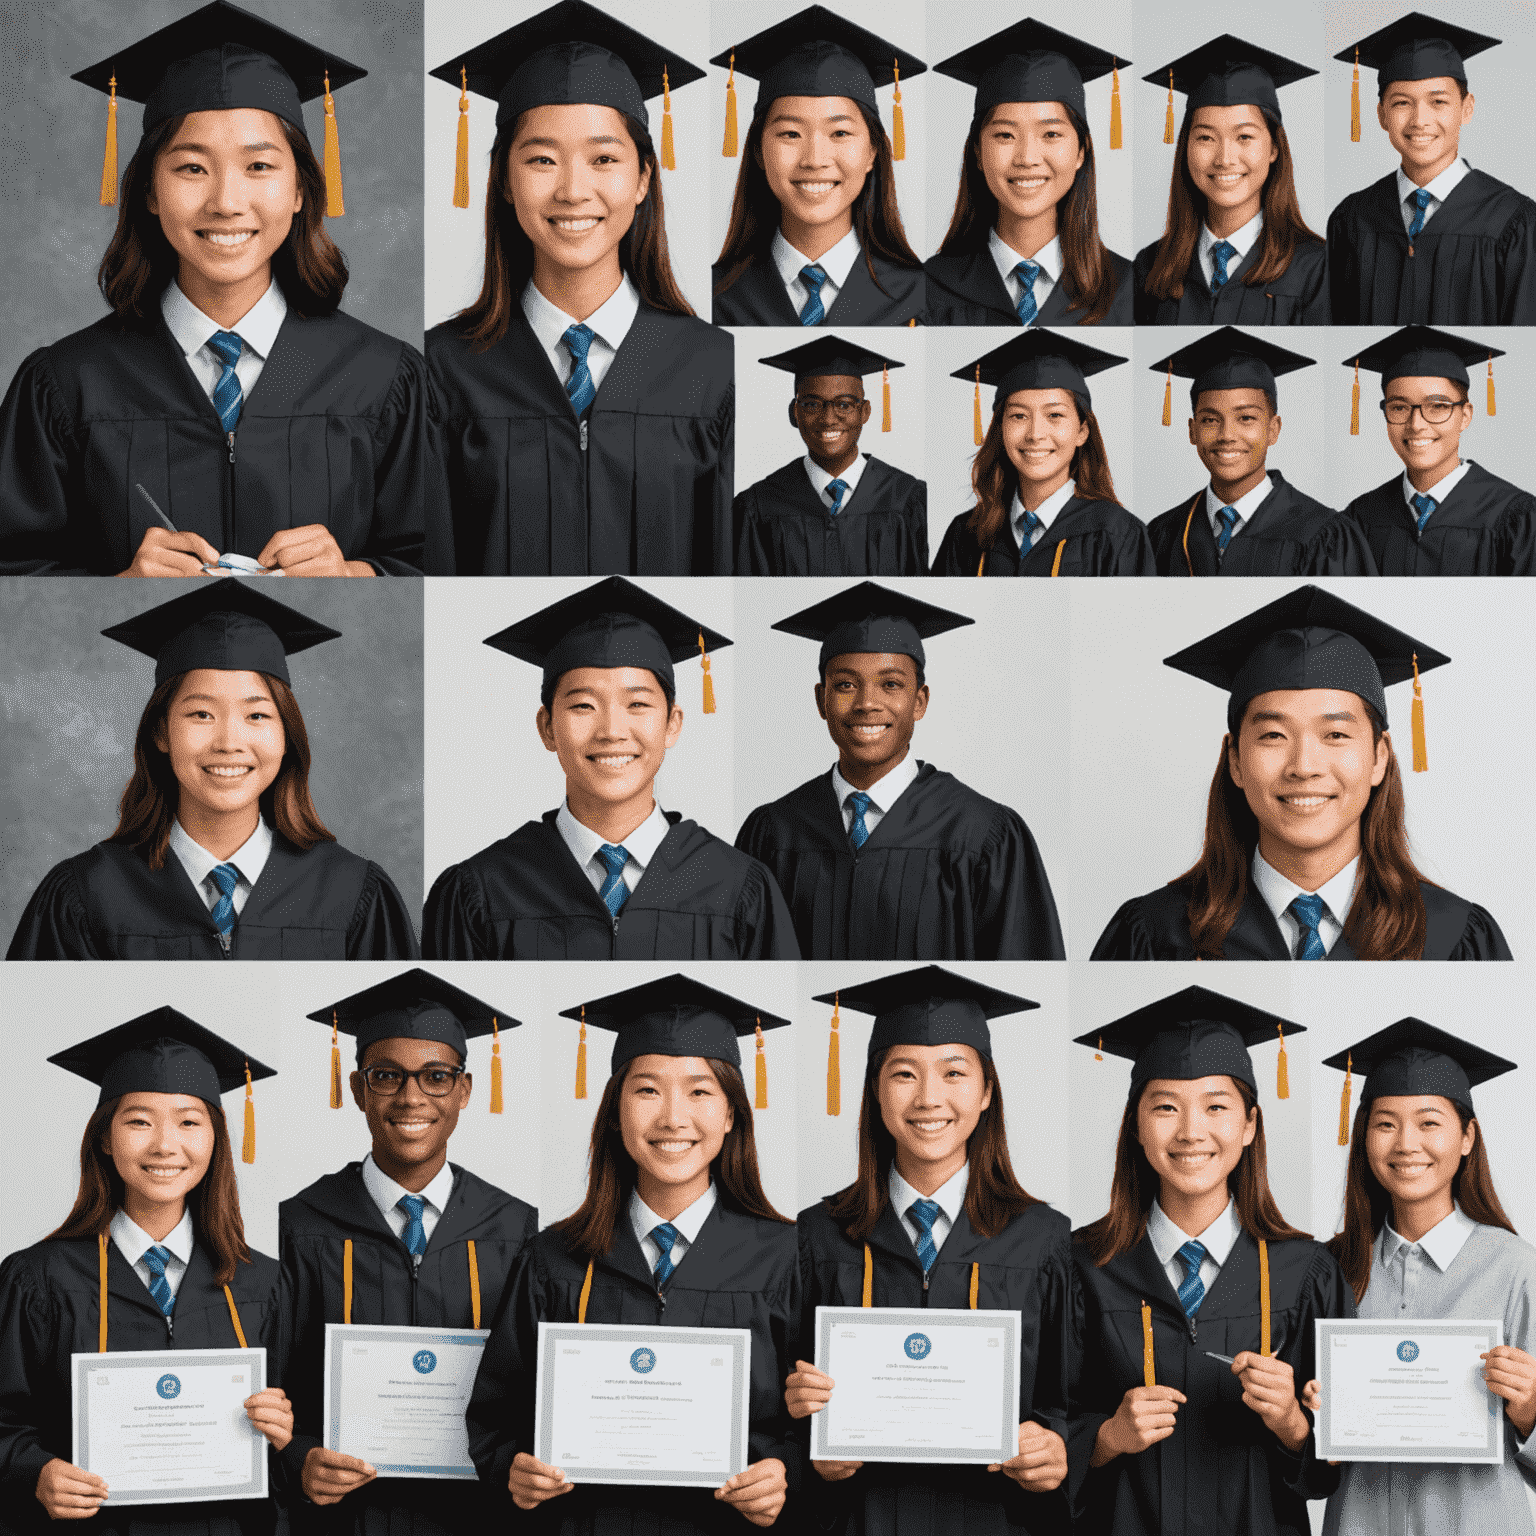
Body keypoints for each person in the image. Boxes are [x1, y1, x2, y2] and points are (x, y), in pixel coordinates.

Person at [0, 6, 429, 577]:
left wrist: (359, 575)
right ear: (149, 191)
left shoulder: (387, 379)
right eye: (191, 169)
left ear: (301, 188)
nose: (226, 202)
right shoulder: (65, 385)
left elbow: (449, 559)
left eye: (259, 166)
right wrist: (119, 586)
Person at [465, 975, 799, 1533]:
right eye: (647, 1090)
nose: (672, 1118)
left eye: (699, 1091)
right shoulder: (552, 1260)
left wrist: (785, 1473)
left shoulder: (787, 1257)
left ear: (731, 1113)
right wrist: (512, 1470)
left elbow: (821, 1427)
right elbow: (496, 1414)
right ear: (615, 1112)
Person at [426, 1, 734, 576]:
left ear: (643, 178)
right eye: (542, 159)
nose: (573, 190)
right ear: (505, 182)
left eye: (604, 158)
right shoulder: (441, 371)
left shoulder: (715, 368)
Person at [788, 969, 1074, 1535]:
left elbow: (1076, 1395)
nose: (928, 1099)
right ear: (875, 1088)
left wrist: (1056, 1443)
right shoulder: (813, 1237)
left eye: (954, 1073)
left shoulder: (1046, 1240)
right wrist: (806, 1442)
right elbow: (766, 1420)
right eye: (903, 1074)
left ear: (987, 1091)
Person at [1091, 585, 1513, 961]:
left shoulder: (1453, 940)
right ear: (1235, 760)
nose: (1304, 767)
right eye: (1273, 735)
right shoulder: (1153, 936)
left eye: (1335, 734)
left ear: (1379, 757)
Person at [1070, 988, 1355, 1536]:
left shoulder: (1306, 1272)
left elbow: (1335, 1471)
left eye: (1216, 1106)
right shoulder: (1081, 1266)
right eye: (1166, 1106)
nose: (1190, 1131)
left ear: (1249, 1126)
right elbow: (1034, 1425)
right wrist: (1105, 1439)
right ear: (1135, 1124)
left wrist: (1293, 1424)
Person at [7, 583, 420, 961]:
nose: (229, 742)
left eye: (257, 714)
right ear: (161, 732)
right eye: (201, 714)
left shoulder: (350, 893)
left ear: (287, 735)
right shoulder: (87, 894)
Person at [0, 1012, 292, 1535]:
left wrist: (288, 1432)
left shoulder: (261, 1284)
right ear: (105, 1139)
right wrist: (34, 1471)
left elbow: (296, 1453)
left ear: (216, 1140)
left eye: (188, 1121)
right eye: (138, 1121)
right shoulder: (36, 1279)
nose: (164, 1145)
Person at [279, 970, 538, 1536]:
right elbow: (274, 1382)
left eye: (436, 1077)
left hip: (478, 1517)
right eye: (387, 1076)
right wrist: (299, 1460)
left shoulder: (517, 1228)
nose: (411, 1096)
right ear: (357, 1088)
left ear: (465, 1090)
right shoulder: (300, 1223)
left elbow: (530, 1386)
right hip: (346, 1519)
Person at [424, 578, 798, 960]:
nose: (612, 732)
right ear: (547, 727)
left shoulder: (739, 887)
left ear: (673, 724)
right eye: (583, 706)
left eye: (637, 705)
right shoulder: (481, 890)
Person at [735, 583, 1064, 959]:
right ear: (821, 700)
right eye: (845, 685)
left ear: (919, 701)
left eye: (890, 684)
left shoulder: (984, 835)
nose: (867, 703)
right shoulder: (771, 832)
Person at [1308, 1019, 1536, 1535]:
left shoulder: (1517, 1269)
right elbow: (1306, 1462)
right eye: (1385, 1123)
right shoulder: (1329, 1270)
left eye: (1429, 1122)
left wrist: (1528, 1408)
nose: (1406, 1143)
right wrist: (1313, 1418)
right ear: (1365, 1137)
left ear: (1466, 1138)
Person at [711, 13, 926, 326]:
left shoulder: (921, 298)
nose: (814, 159)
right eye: (790, 134)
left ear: (872, 152)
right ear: (758, 151)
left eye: (839, 133)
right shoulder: (717, 299)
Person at [1326, 14, 1536, 325]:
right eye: (1401, 103)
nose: (1420, 120)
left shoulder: (1515, 221)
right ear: (1381, 115)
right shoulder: (1352, 218)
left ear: (1466, 108)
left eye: (1438, 102)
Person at [925, 19, 1134, 327]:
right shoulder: (929, 289)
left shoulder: (1128, 289)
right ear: (978, 153)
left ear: (1081, 151)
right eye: (1004, 135)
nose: (1027, 158)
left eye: (1051, 134)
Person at [1145, 328, 1376, 576]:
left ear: (1273, 430)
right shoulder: (1163, 533)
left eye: (1246, 418)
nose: (1226, 435)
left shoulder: (1324, 533)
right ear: (1192, 431)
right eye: (1210, 420)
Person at [1134, 38, 1328, 325]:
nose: (1225, 158)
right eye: (1206, 138)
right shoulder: (1150, 266)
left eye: (1244, 137)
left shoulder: (1317, 267)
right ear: (1185, 147)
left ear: (1274, 148)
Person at [930, 332, 1154, 577]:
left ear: (1082, 431)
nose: (1035, 434)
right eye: (1018, 416)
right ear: (1001, 430)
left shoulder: (1118, 533)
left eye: (1054, 415)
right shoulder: (965, 534)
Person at [1340, 326, 1535, 574]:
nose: (1416, 424)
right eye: (1399, 408)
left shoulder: (1516, 517)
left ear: (1465, 415)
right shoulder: (1360, 517)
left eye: (1438, 406)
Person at [734, 336, 927, 576]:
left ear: (865, 412)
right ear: (794, 413)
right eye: (812, 405)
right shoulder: (757, 506)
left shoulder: (907, 497)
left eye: (844, 405)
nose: (827, 419)